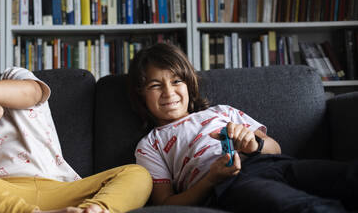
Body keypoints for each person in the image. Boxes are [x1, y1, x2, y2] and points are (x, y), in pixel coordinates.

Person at [0, 36, 152, 213]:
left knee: (136, 174)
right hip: (3, 198)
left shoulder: (11, 77)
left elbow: (32, 93)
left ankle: (94, 211)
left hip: (62, 189)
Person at [128, 42, 358, 213]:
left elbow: (275, 148)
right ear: (141, 95)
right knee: (300, 207)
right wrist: (211, 180)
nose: (169, 92)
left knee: (348, 176)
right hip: (231, 184)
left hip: (275, 164)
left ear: (189, 84)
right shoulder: (150, 143)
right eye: (156, 85)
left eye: (177, 81)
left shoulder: (222, 112)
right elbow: (164, 203)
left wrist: (254, 144)